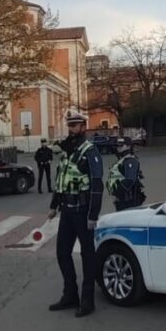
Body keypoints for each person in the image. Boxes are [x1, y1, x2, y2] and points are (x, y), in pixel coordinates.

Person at [48, 109, 103, 318]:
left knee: (87, 255)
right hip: (66, 211)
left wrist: (93, 215)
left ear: (83, 126)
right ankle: (70, 294)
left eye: (75, 125)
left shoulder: (90, 150)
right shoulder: (67, 151)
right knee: (62, 253)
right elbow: (61, 181)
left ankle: (87, 300)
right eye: (69, 125)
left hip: (83, 211)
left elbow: (96, 185)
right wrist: (54, 206)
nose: (71, 129)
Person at [107, 137, 145, 212]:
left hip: (129, 200)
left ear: (128, 146)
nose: (118, 147)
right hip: (122, 200)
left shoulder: (130, 160)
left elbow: (130, 180)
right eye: (117, 145)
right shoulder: (122, 160)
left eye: (121, 145)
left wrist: (117, 193)